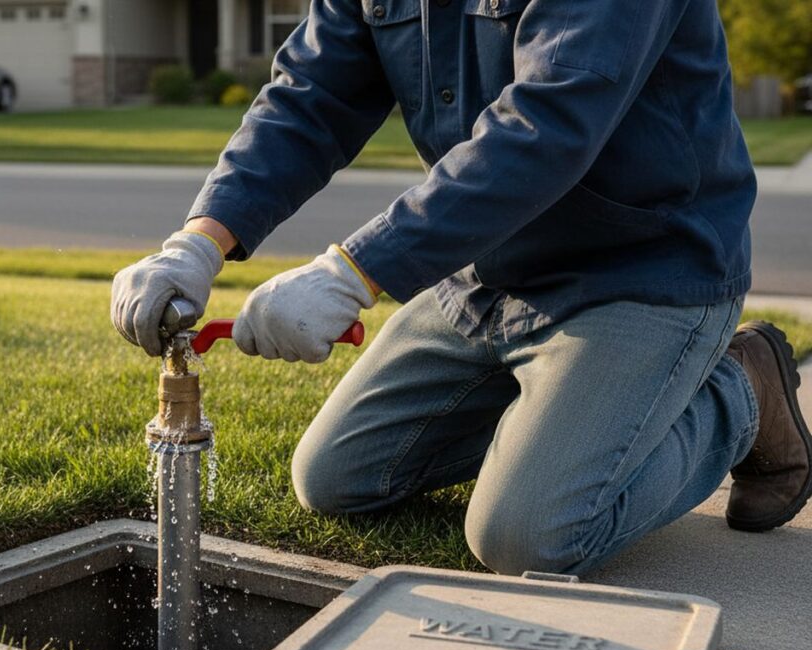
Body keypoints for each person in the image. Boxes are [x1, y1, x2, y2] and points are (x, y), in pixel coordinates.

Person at [111, 0, 812, 575]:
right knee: (335, 479)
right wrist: (199, 242)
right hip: (487, 271)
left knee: (527, 537)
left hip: (642, 270)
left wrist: (351, 273)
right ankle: (563, 413)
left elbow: (548, 124)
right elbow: (309, 99)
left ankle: (742, 392)